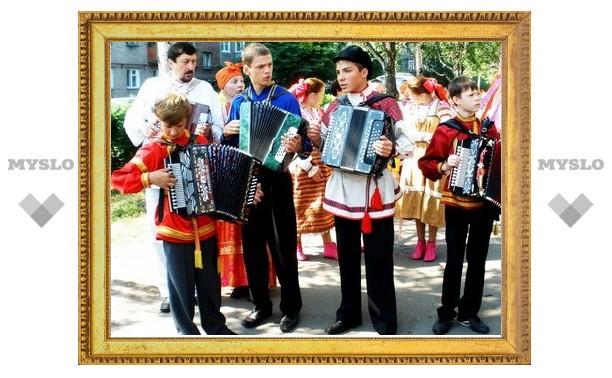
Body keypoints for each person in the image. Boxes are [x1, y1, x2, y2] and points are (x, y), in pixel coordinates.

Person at [112, 92, 262, 335]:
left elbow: (221, 175)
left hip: (205, 228)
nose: (172, 132)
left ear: (187, 119)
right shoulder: (154, 150)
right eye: (166, 125)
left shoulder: (200, 142)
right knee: (180, 288)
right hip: (173, 230)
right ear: (158, 120)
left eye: (178, 125)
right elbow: (118, 179)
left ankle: (215, 326)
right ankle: (186, 333)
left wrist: (247, 191)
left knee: (210, 284)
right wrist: (150, 178)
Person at [308, 45, 412, 335]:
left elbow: (406, 144)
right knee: (348, 259)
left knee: (379, 259)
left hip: (374, 190)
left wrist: (390, 148)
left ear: (364, 72)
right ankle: (349, 314)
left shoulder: (386, 104)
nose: (341, 77)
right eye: (338, 72)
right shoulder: (334, 107)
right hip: (342, 191)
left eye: (347, 70)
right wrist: (316, 139)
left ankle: (385, 319)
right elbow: (326, 148)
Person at [122, 42, 224, 313]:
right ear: (171, 63)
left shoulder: (205, 89)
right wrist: (150, 130)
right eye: (185, 62)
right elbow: (132, 123)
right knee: (161, 235)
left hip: (196, 164)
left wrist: (208, 130)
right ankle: (170, 291)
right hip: (161, 168)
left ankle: (199, 293)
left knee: (197, 234)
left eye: (194, 61)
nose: (191, 66)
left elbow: (219, 128)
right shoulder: (152, 87)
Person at [222, 42, 307, 333]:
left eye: (269, 64)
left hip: (277, 178)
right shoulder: (238, 103)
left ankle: (291, 308)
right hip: (247, 179)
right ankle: (260, 305)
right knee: (253, 247)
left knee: (283, 246)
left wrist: (297, 145)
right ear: (247, 70)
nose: (267, 70)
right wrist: (226, 132)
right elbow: (230, 148)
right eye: (260, 66)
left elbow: (303, 144)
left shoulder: (286, 99)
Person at [418, 76, 501, 335]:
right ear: (454, 100)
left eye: (478, 94)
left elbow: (498, 159)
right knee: (454, 260)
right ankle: (447, 312)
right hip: (455, 203)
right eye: (471, 95)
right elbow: (426, 163)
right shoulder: (447, 130)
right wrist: (444, 165)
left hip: (483, 205)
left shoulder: (489, 129)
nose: (478, 98)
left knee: (477, 261)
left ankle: (469, 313)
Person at [213, 61, 276, 299]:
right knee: (231, 229)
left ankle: (256, 281)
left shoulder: (248, 105)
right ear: (222, 88)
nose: (239, 85)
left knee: (252, 232)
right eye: (233, 82)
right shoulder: (218, 110)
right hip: (227, 173)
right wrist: (225, 131)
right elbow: (209, 141)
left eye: (241, 81)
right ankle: (237, 281)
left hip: (251, 171)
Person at [396, 77, 452, 262]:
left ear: (422, 94)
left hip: (433, 156)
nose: (409, 98)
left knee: (432, 200)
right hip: (413, 158)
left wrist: (423, 136)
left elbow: (448, 131)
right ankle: (420, 242)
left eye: (411, 95)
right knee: (417, 200)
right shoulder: (409, 108)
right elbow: (401, 130)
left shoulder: (441, 107)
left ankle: (432, 242)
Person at [288, 77, 337, 262]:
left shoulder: (318, 111)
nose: (323, 98)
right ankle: (297, 243)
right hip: (303, 163)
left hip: (321, 162)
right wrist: (309, 167)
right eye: (322, 94)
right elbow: (294, 145)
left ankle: (329, 244)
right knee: (300, 204)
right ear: (313, 94)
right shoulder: (297, 113)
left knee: (323, 204)